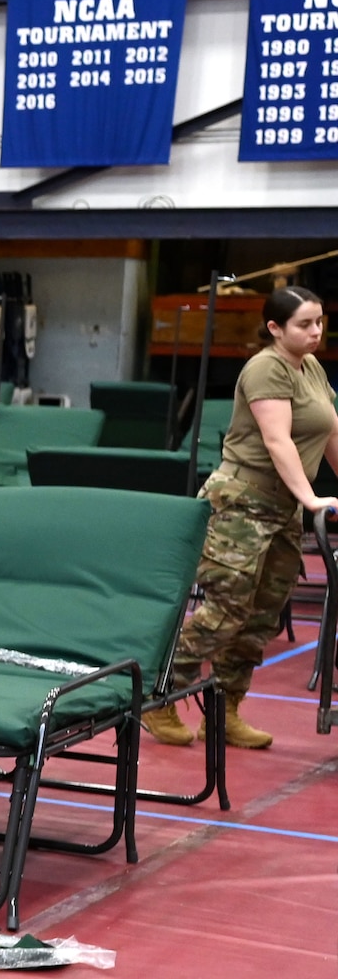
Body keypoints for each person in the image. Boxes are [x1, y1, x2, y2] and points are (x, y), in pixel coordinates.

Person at [143, 285, 338, 750]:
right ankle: (158, 698)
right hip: (243, 502)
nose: (316, 332)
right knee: (227, 608)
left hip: (282, 507)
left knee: (262, 616)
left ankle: (225, 710)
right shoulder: (265, 367)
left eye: (319, 322)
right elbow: (278, 441)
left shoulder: (310, 368)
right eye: (304, 325)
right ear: (274, 328)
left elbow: (331, 434)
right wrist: (312, 499)